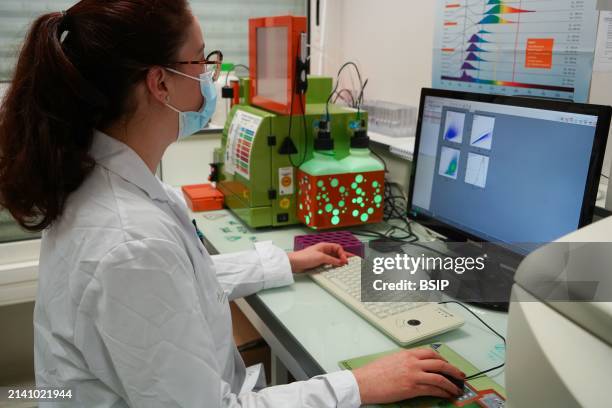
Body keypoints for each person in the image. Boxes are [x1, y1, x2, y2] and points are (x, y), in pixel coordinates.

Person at [0, 1, 465, 406]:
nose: (210, 73)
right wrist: (358, 384)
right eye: (202, 58)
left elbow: (176, 285)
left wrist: (282, 262)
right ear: (159, 83)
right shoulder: (129, 242)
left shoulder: (112, 182)